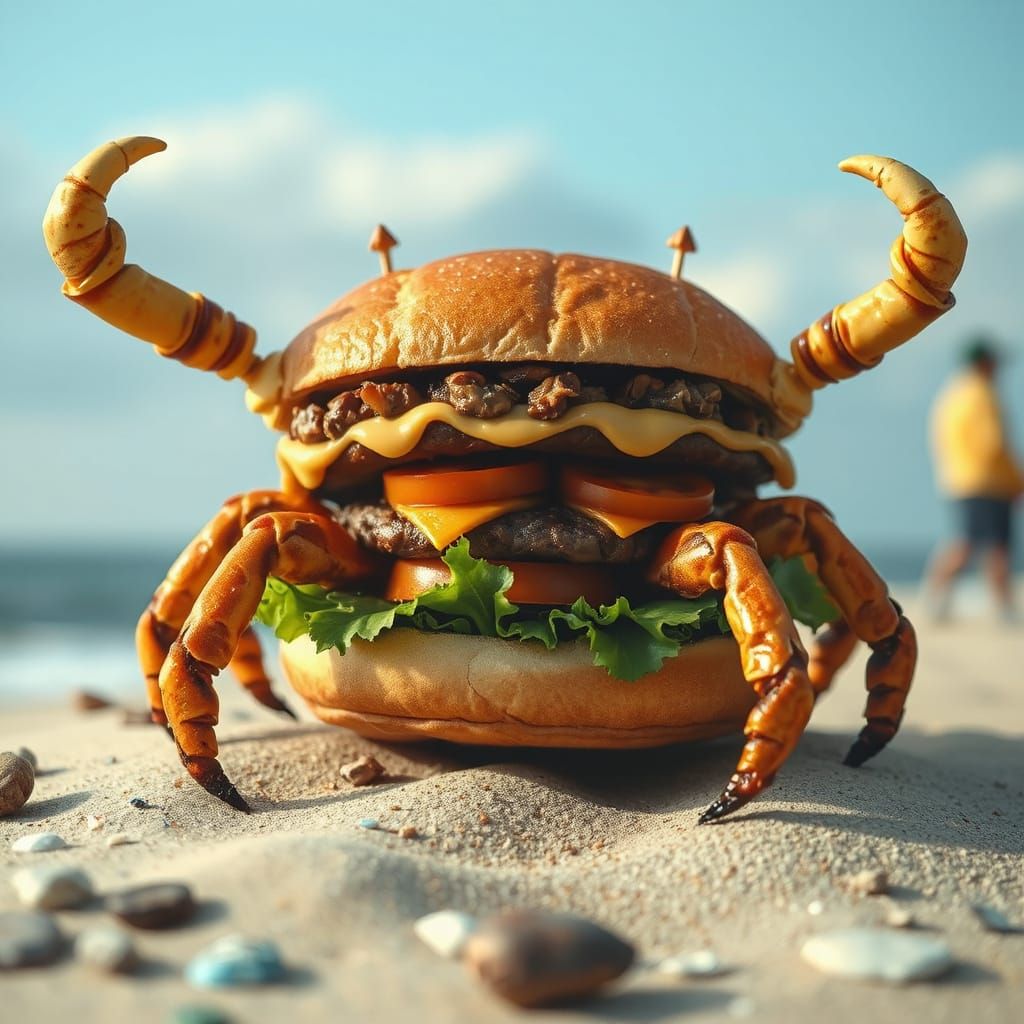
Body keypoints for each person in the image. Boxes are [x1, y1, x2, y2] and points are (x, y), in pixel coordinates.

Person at [924, 339, 1024, 621]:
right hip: (988, 480)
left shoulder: (952, 394)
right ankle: (1003, 606)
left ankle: (936, 597)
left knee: (967, 541)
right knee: (995, 546)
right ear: (984, 363)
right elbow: (994, 444)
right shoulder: (982, 394)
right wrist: (1017, 480)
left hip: (959, 478)